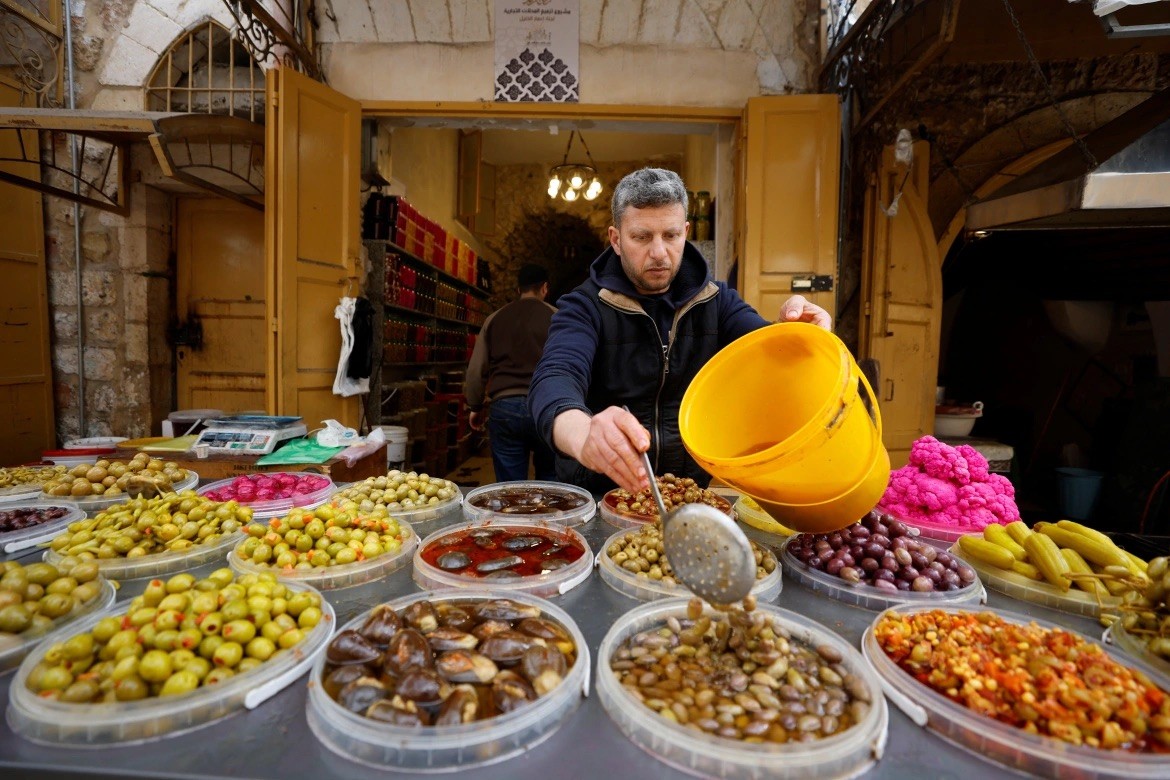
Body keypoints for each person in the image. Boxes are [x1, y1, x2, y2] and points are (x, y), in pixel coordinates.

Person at [528, 167, 831, 495]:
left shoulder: (719, 302)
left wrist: (803, 338)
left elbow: (769, 353)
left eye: (670, 236)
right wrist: (584, 434)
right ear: (616, 240)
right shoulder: (583, 306)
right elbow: (554, 380)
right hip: (600, 495)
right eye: (641, 237)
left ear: (686, 232)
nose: (658, 252)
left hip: (687, 492)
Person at [463, 263, 558, 482]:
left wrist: (475, 406)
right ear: (545, 288)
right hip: (545, 405)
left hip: (505, 407)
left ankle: (511, 516)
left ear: (518, 290)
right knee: (551, 481)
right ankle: (550, 515)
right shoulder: (558, 318)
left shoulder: (494, 319)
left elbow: (476, 370)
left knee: (510, 487)